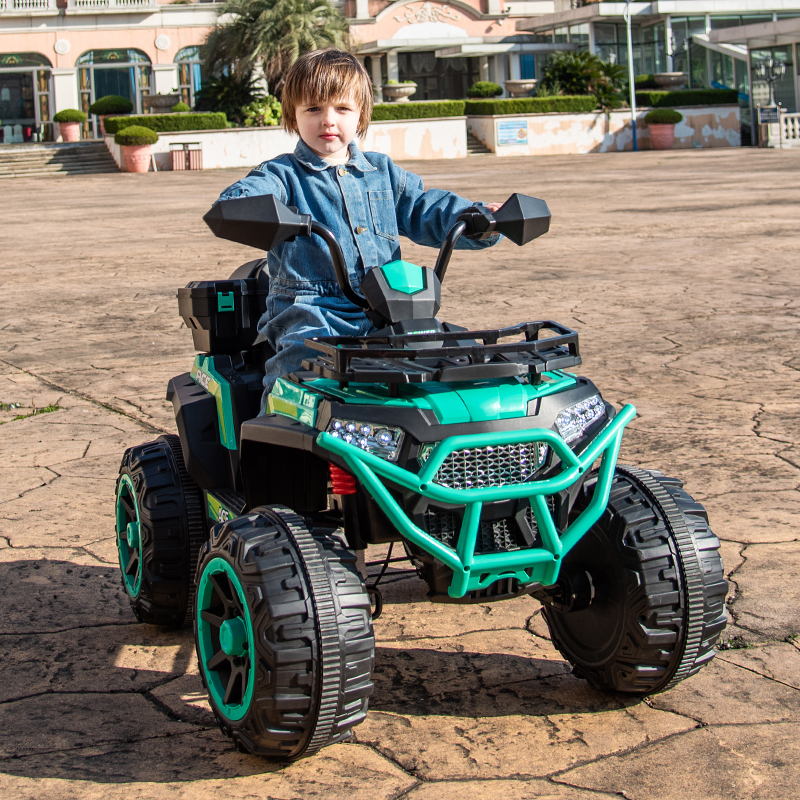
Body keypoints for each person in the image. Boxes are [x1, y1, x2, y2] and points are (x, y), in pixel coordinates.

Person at [216, 48, 503, 412]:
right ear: (293, 115)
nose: (328, 121)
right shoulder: (282, 175)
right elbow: (247, 194)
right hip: (313, 313)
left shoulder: (382, 172)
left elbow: (425, 207)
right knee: (299, 381)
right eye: (313, 109)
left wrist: (477, 218)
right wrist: (241, 206)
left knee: (456, 369)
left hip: (392, 312)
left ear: (362, 114)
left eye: (342, 109)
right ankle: (272, 455)